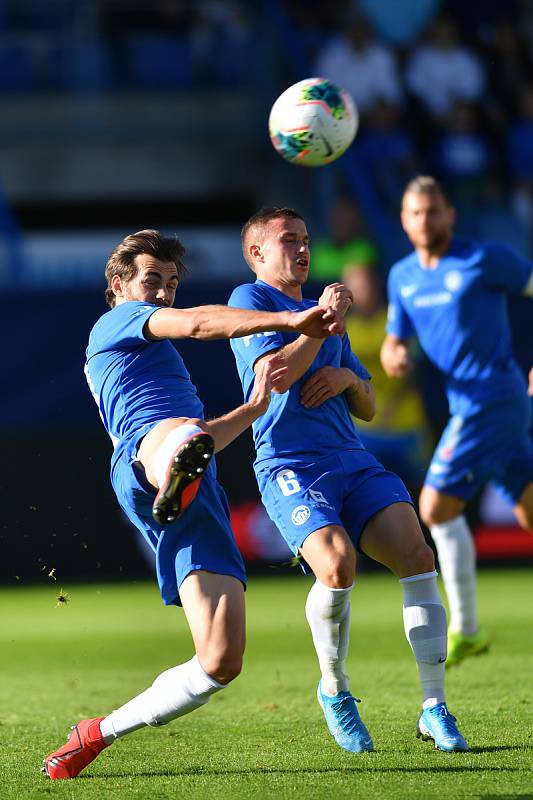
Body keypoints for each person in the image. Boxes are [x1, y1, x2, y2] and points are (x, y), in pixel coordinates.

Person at [41, 228, 345, 780]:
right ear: (119, 284)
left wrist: (255, 407)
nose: (162, 294)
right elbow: (201, 323)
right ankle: (176, 470)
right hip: (145, 456)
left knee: (221, 661)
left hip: (192, 477)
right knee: (180, 435)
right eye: (152, 281)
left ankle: (96, 735)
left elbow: (205, 437)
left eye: (172, 284)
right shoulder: (117, 321)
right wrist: (289, 320)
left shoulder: (158, 362)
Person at [228, 207, 468, 754]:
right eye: (289, 239)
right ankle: (334, 690)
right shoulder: (252, 302)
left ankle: (434, 706)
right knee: (336, 565)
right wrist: (322, 320)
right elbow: (278, 375)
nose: (302, 248)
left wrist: (347, 378)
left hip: (350, 457)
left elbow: (369, 401)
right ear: (257, 254)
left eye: (306, 238)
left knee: (416, 553)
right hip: (290, 462)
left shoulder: (323, 312)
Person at [381, 176, 533, 667]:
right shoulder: (402, 275)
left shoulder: (484, 258)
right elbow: (394, 339)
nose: (425, 221)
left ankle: (466, 627)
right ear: (404, 221)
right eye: (415, 213)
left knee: (436, 508)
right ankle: (468, 629)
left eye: (433, 211)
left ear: (450, 215)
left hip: (493, 400)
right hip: (468, 403)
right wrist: (395, 354)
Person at [342, 262, 431, 496]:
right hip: (363, 430)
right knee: (364, 494)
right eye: (358, 287)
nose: (365, 292)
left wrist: (393, 403)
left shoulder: (398, 322)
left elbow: (418, 373)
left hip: (406, 424)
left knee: (425, 495)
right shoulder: (341, 329)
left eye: (368, 285)